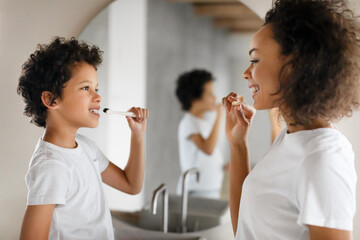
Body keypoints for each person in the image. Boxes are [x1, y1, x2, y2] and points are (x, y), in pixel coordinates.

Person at [222, 0, 359, 239]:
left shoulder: (322, 159)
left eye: (255, 60)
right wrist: (237, 144)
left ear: (295, 67)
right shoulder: (293, 137)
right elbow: (245, 230)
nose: (246, 72)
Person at [17, 37, 149, 240]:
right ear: (51, 99)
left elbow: (131, 185)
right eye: (86, 88)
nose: (98, 97)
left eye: (96, 88)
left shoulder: (87, 148)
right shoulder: (51, 166)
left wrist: (138, 135)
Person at [175, 69, 224, 199]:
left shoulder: (204, 123)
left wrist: (221, 166)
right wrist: (220, 115)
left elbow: (206, 157)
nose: (214, 98)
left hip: (210, 190)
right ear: (194, 100)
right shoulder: (189, 122)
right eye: (209, 94)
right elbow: (208, 148)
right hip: (195, 192)